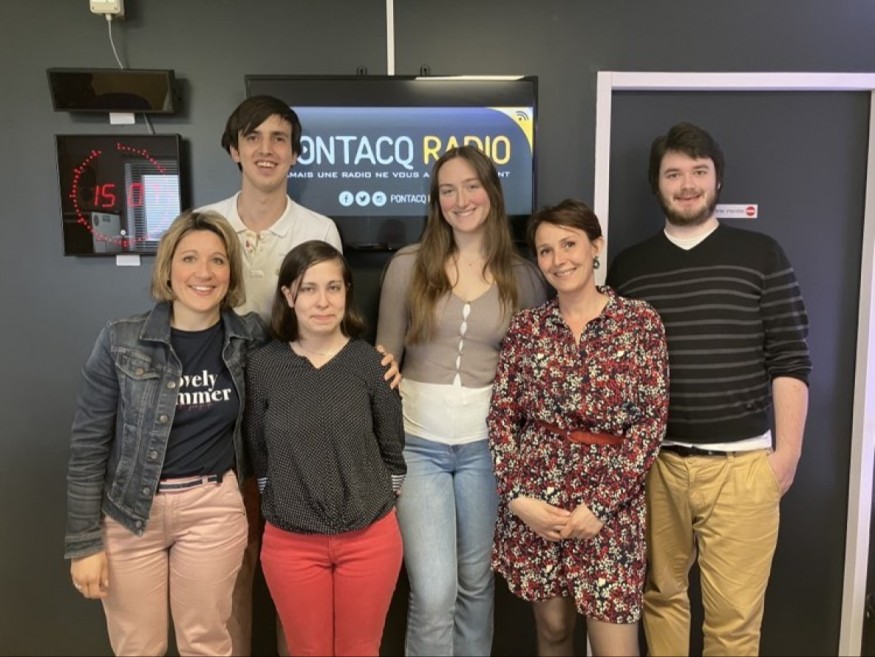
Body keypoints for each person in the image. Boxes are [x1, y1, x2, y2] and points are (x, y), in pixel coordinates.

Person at [198, 94, 400, 656]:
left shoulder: (318, 227)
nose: (266, 149)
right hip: (219, 411)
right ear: (234, 149)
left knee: (297, 552)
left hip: (299, 407)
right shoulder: (207, 224)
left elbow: (324, 318)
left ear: (294, 153)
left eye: (280, 139)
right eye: (254, 137)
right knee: (234, 568)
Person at [606, 122, 811, 656]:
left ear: (717, 180)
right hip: (657, 467)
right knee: (660, 598)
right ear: (656, 185)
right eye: (673, 174)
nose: (687, 184)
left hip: (743, 470)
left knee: (734, 623)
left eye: (699, 171)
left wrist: (786, 458)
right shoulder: (630, 267)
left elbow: (791, 359)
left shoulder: (762, 255)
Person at [65, 210, 266, 656]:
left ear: (231, 272)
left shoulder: (249, 339)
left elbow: (307, 351)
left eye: (217, 260)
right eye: (189, 258)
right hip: (130, 513)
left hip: (212, 509)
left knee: (206, 644)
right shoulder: (121, 341)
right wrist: (83, 542)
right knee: (138, 648)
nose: (204, 272)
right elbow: (88, 446)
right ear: (168, 268)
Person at [376, 145, 548, 656]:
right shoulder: (408, 266)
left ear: (491, 192)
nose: (461, 199)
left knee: (476, 586)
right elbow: (382, 363)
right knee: (434, 593)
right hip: (418, 448)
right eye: (448, 190)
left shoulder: (524, 277)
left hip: (486, 453)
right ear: (436, 201)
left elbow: (533, 376)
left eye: (471, 186)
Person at [488, 199, 669, 657]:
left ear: (596, 247)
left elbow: (650, 422)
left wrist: (601, 505)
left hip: (611, 504)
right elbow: (502, 416)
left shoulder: (638, 322)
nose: (558, 259)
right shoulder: (528, 328)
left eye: (569, 244)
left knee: (614, 646)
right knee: (552, 631)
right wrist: (518, 497)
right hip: (540, 500)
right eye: (545, 250)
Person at [245, 240, 406, 656]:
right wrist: (286, 499)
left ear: (347, 292)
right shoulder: (264, 366)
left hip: (369, 538)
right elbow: (258, 451)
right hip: (291, 541)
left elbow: (393, 452)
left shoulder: (371, 364)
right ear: (288, 295)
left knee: (360, 650)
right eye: (309, 288)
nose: (323, 301)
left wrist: (368, 502)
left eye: (333, 287)